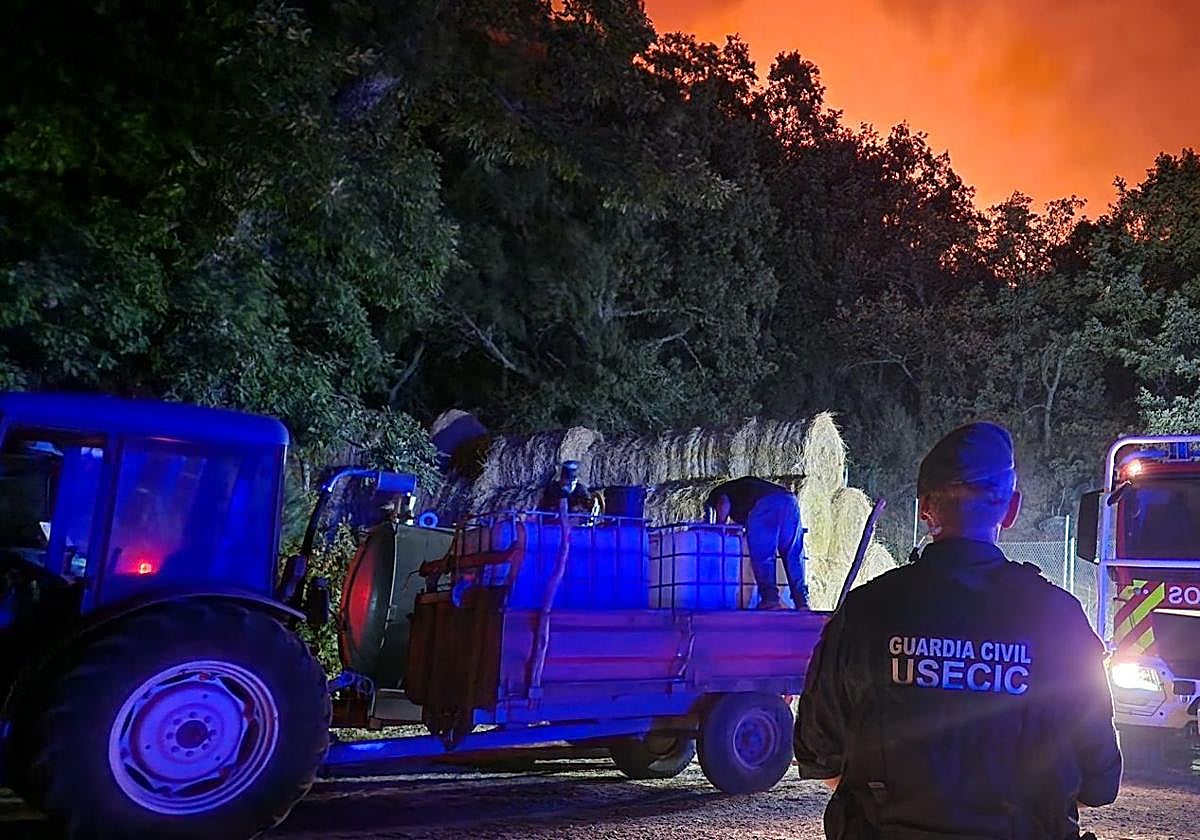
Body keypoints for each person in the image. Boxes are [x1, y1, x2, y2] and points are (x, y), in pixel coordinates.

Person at [794, 422, 1121, 840]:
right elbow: (1099, 781)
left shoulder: (865, 611)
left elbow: (819, 754)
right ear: (1011, 508)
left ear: (926, 507)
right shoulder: (1059, 618)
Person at [704, 476, 806, 609]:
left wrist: (719, 527)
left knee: (763, 555)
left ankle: (770, 599)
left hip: (766, 505)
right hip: (789, 501)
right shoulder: (744, 489)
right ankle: (801, 602)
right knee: (793, 555)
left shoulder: (720, 493)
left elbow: (723, 504)